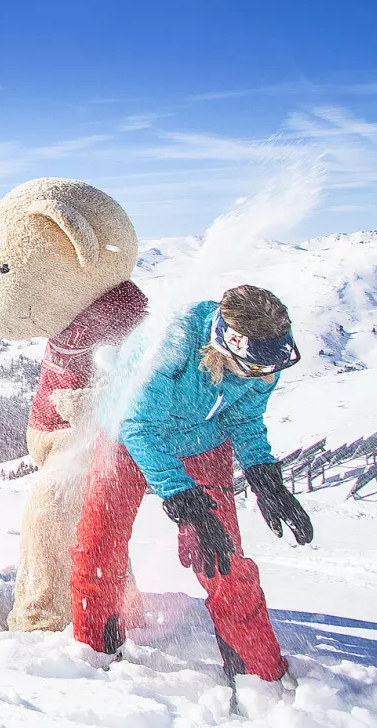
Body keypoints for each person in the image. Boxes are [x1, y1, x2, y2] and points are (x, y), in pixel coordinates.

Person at [71, 285, 311, 684]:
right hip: (128, 437)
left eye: (271, 366)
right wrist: (187, 503)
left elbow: (245, 417)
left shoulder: (265, 357)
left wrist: (265, 476)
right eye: (255, 368)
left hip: (204, 442)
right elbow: (140, 427)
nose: (266, 376)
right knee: (101, 542)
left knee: (223, 557)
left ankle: (258, 673)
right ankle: (94, 649)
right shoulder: (172, 340)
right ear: (226, 343)